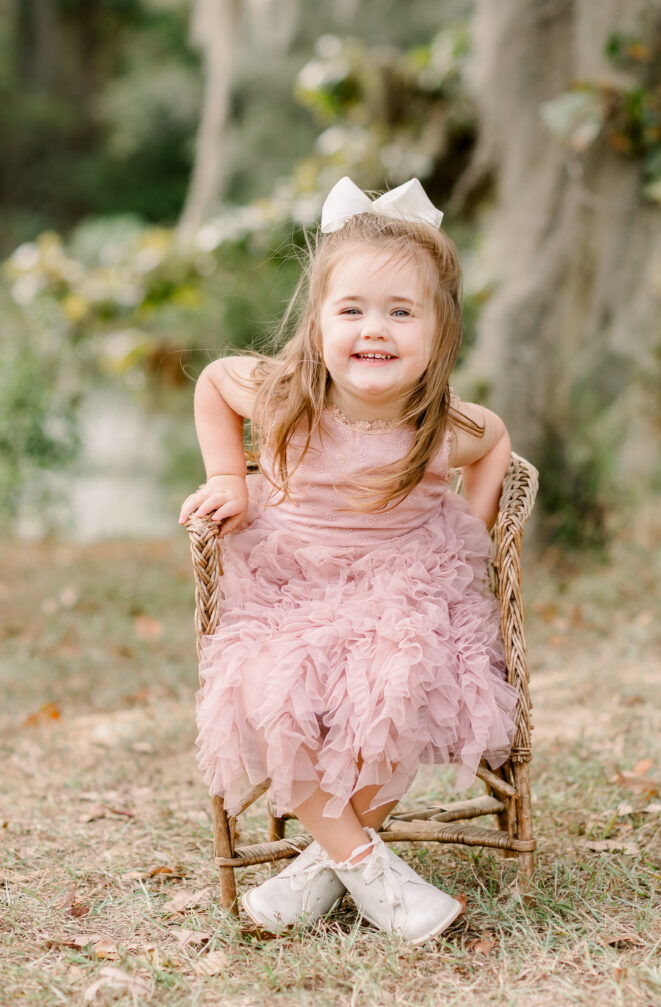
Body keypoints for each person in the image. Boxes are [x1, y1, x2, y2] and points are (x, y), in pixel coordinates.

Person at [179, 177, 518, 944]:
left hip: (400, 581)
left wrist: (469, 527)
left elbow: (497, 439)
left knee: (401, 684)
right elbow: (210, 384)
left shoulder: (439, 426)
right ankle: (369, 871)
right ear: (318, 323)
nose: (375, 329)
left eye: (401, 312)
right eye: (353, 310)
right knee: (275, 692)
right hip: (291, 584)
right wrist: (228, 477)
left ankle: (318, 871)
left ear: (439, 332)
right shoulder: (283, 394)